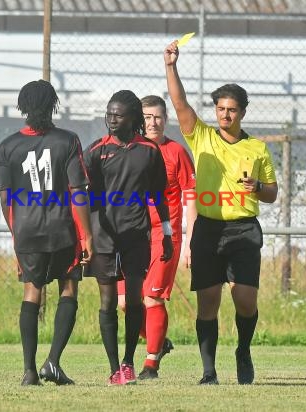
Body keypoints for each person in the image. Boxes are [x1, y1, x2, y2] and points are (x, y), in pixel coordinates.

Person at [164, 41, 278, 385]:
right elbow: (179, 103)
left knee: (244, 300)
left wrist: (257, 186)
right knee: (208, 302)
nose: (224, 114)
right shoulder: (202, 138)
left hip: (243, 229)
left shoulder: (257, 148)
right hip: (209, 230)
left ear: (242, 112)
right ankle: (209, 371)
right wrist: (171, 66)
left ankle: (243, 351)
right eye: (220, 108)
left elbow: (273, 194)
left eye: (231, 109)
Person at [0, 80, 93, 386]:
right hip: (63, 230)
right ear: (53, 105)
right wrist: (86, 236)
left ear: (22, 107)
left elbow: (5, 199)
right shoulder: (68, 141)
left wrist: (16, 236)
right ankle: (53, 362)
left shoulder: (7, 147)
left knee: (32, 291)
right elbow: (78, 192)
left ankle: (28, 371)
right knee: (69, 288)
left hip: (27, 233)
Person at [83, 90, 173, 385]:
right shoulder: (96, 151)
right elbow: (82, 195)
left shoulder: (148, 151)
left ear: (132, 117)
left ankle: (128, 362)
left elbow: (160, 196)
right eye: (109, 113)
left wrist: (168, 235)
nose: (111, 119)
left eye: (118, 114)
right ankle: (113, 369)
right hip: (104, 236)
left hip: (136, 235)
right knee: (108, 301)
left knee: (135, 301)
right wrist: (85, 235)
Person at [117, 95, 197, 380]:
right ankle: (160, 342)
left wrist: (190, 241)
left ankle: (151, 363)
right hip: (131, 237)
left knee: (151, 299)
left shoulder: (177, 152)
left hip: (165, 237)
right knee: (126, 303)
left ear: (166, 119)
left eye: (158, 117)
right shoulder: (128, 149)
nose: (153, 122)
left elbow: (191, 198)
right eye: (147, 117)